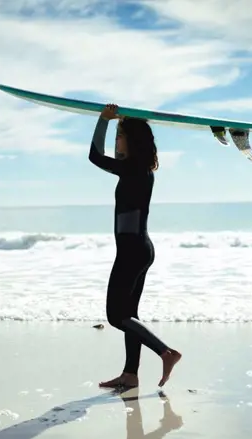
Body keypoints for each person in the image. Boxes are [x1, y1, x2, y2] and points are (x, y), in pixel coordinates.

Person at [88, 104, 182, 388]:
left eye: (120, 136)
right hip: (141, 248)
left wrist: (103, 121)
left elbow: (94, 156)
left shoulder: (130, 170)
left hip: (131, 251)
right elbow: (113, 156)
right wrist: (121, 124)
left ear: (131, 140)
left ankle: (166, 352)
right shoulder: (141, 170)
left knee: (115, 316)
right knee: (130, 315)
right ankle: (130, 374)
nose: (117, 142)